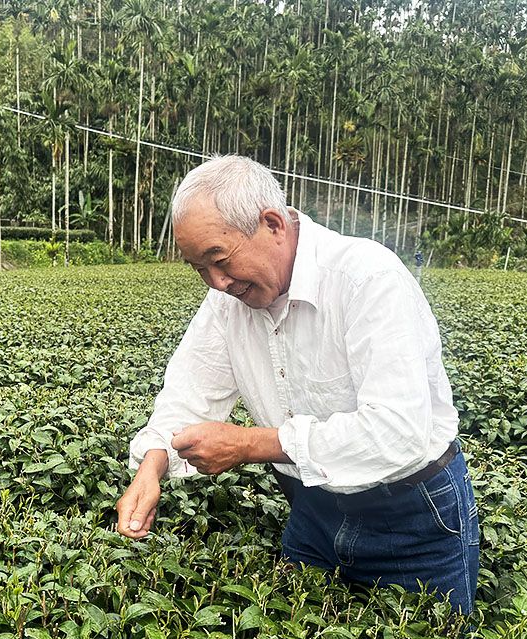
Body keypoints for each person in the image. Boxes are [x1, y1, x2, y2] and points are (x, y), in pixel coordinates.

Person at [114, 155, 479, 614]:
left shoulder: (367, 279)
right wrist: (152, 465)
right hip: (311, 512)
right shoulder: (226, 302)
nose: (217, 282)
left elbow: (396, 431)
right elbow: (190, 391)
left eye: (219, 259)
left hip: (412, 517)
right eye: (198, 269)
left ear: (271, 223)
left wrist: (248, 444)